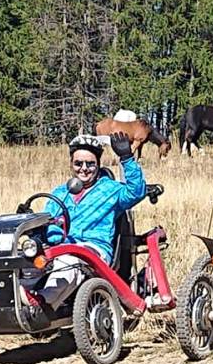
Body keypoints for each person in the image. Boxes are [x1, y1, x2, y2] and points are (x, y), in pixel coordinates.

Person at [20, 132, 146, 324]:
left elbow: (136, 192)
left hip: (93, 250)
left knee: (70, 261)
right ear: (71, 164)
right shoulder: (60, 193)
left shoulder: (111, 190)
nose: (84, 169)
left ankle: (40, 303)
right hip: (58, 248)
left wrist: (126, 158)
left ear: (98, 164)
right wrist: (31, 223)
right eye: (78, 163)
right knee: (24, 259)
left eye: (90, 164)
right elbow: (48, 223)